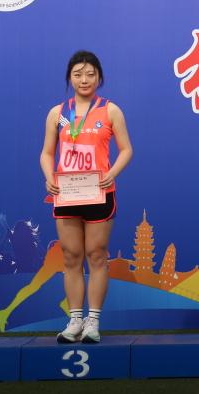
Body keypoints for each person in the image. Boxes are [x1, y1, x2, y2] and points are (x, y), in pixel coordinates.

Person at [40, 51, 132, 343]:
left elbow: (127, 149)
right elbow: (47, 153)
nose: (84, 80)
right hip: (66, 193)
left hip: (99, 192)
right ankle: (74, 320)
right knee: (70, 256)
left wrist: (112, 173)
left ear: (99, 77)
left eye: (90, 74)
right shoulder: (57, 113)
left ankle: (93, 321)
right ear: (69, 77)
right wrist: (49, 177)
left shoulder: (111, 111)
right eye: (78, 74)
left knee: (97, 254)